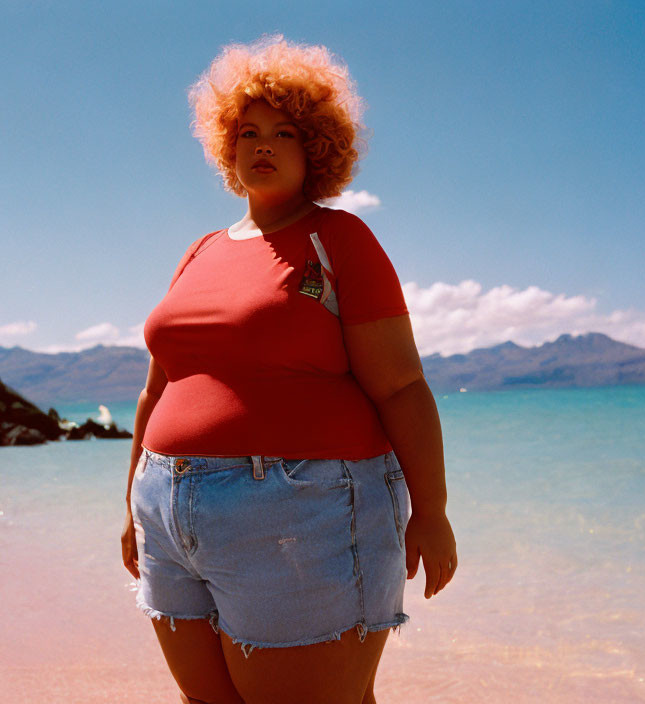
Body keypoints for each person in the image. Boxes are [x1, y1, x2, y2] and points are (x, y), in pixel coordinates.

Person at [120, 35, 457, 704]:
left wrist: (434, 510)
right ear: (227, 147)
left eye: (284, 133)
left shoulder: (338, 240)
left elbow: (401, 386)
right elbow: (156, 387)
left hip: (302, 512)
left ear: (318, 150)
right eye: (247, 132)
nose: (262, 145)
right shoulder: (200, 251)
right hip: (169, 510)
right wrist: (132, 505)